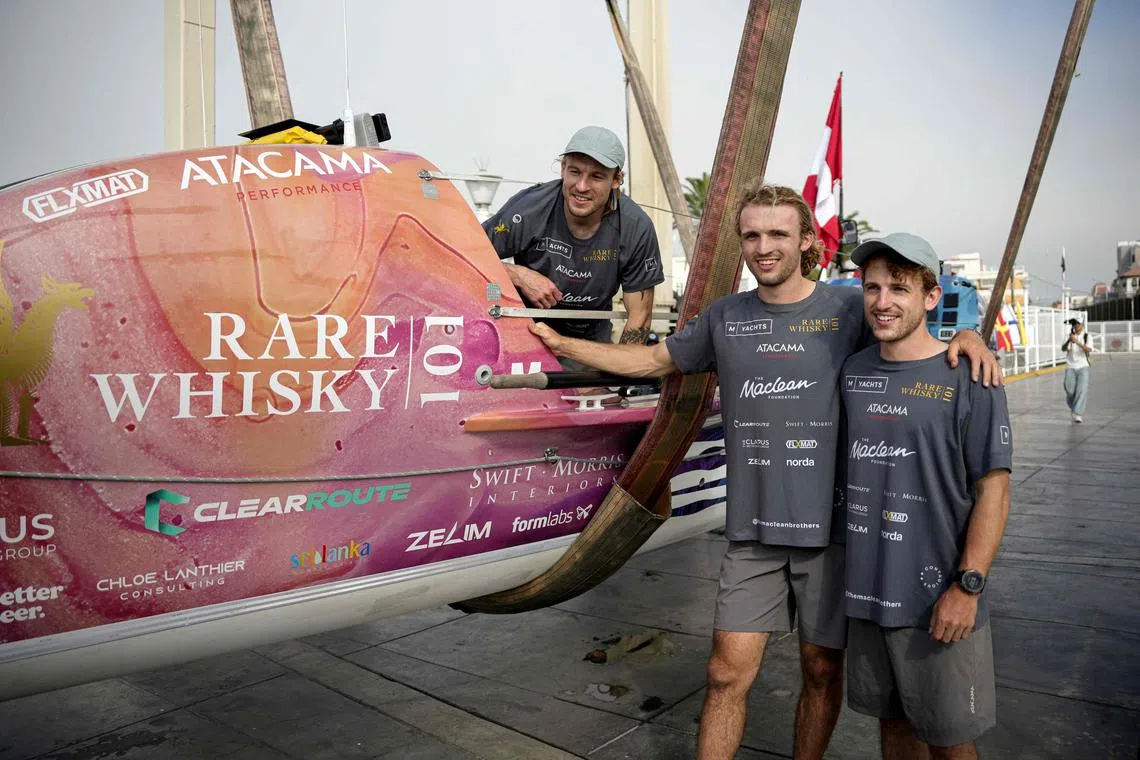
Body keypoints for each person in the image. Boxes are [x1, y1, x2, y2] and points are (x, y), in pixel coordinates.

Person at [526, 180, 1002, 760]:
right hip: (752, 534)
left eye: (778, 233)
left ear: (806, 241)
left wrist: (969, 336)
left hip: (832, 536)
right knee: (726, 673)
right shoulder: (725, 318)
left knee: (822, 670)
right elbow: (653, 360)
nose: (763, 246)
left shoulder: (850, 307)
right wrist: (563, 344)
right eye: (751, 235)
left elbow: (906, 328)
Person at [840, 234, 1012, 759]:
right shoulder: (853, 372)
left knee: (949, 741)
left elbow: (994, 491)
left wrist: (968, 586)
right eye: (872, 287)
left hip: (940, 599)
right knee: (893, 727)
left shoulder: (970, 376)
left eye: (899, 287)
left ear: (931, 296)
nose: (883, 301)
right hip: (868, 595)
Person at [482, 126, 664, 353]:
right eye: (575, 172)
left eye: (597, 176)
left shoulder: (636, 227)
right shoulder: (528, 210)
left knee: (595, 389)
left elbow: (640, 318)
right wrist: (516, 274)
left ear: (617, 180)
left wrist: (617, 375)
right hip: (525, 332)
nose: (582, 186)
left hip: (588, 341)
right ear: (562, 168)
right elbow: (463, 256)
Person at [1061, 317, 1092, 423]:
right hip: (1070, 366)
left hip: (1083, 366)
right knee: (1069, 389)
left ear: (1082, 325)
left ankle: (1078, 413)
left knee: (1081, 390)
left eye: (1078, 324)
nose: (1076, 326)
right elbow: (1063, 349)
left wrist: (1078, 342)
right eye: (1074, 324)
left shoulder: (1087, 336)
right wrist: (1069, 340)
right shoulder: (1068, 336)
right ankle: (1073, 405)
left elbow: (1089, 349)